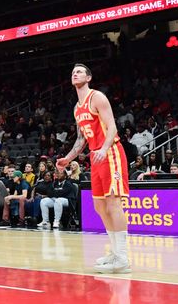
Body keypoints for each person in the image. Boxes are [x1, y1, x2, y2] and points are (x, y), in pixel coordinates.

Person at [57, 63, 131, 274]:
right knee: (99, 207)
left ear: (88, 77)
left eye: (79, 71)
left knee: (113, 203)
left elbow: (112, 126)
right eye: (72, 72)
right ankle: (115, 253)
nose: (75, 74)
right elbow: (81, 139)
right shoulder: (76, 108)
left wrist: (104, 147)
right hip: (96, 157)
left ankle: (123, 258)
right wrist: (67, 159)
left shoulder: (97, 97)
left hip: (111, 153)